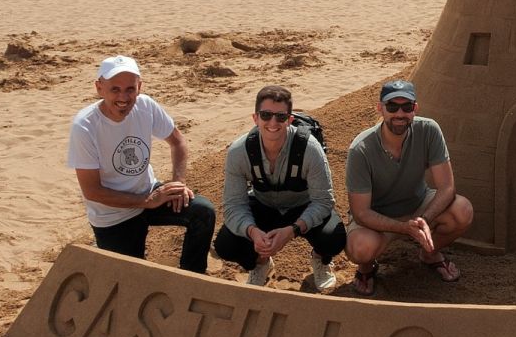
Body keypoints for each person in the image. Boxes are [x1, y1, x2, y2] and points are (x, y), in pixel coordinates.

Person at [67, 56, 215, 272]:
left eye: (130, 89)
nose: (123, 97)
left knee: (203, 212)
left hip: (147, 192)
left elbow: (178, 141)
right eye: (114, 89)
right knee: (131, 280)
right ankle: (105, 248)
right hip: (113, 214)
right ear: (99, 88)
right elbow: (92, 191)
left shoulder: (145, 106)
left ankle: (193, 278)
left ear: (140, 87)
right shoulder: (85, 126)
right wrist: (147, 200)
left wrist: (178, 184)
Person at [344, 80, 474, 296]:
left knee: (462, 210)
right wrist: (403, 228)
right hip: (378, 216)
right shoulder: (361, 149)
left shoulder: (429, 130)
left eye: (407, 107)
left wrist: (423, 219)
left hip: (417, 205)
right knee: (360, 248)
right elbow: (361, 212)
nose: (400, 114)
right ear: (380, 108)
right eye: (392, 107)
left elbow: (446, 187)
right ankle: (366, 268)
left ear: (415, 109)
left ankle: (430, 253)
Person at [214, 85, 346, 289]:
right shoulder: (239, 151)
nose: (273, 123)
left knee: (333, 238)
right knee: (225, 244)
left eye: (281, 117)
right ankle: (261, 263)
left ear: (290, 119)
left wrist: (292, 230)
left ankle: (320, 259)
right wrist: (252, 232)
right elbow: (233, 205)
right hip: (263, 204)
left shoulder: (310, 149)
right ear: (255, 118)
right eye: (266, 115)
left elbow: (324, 201)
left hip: (303, 205)